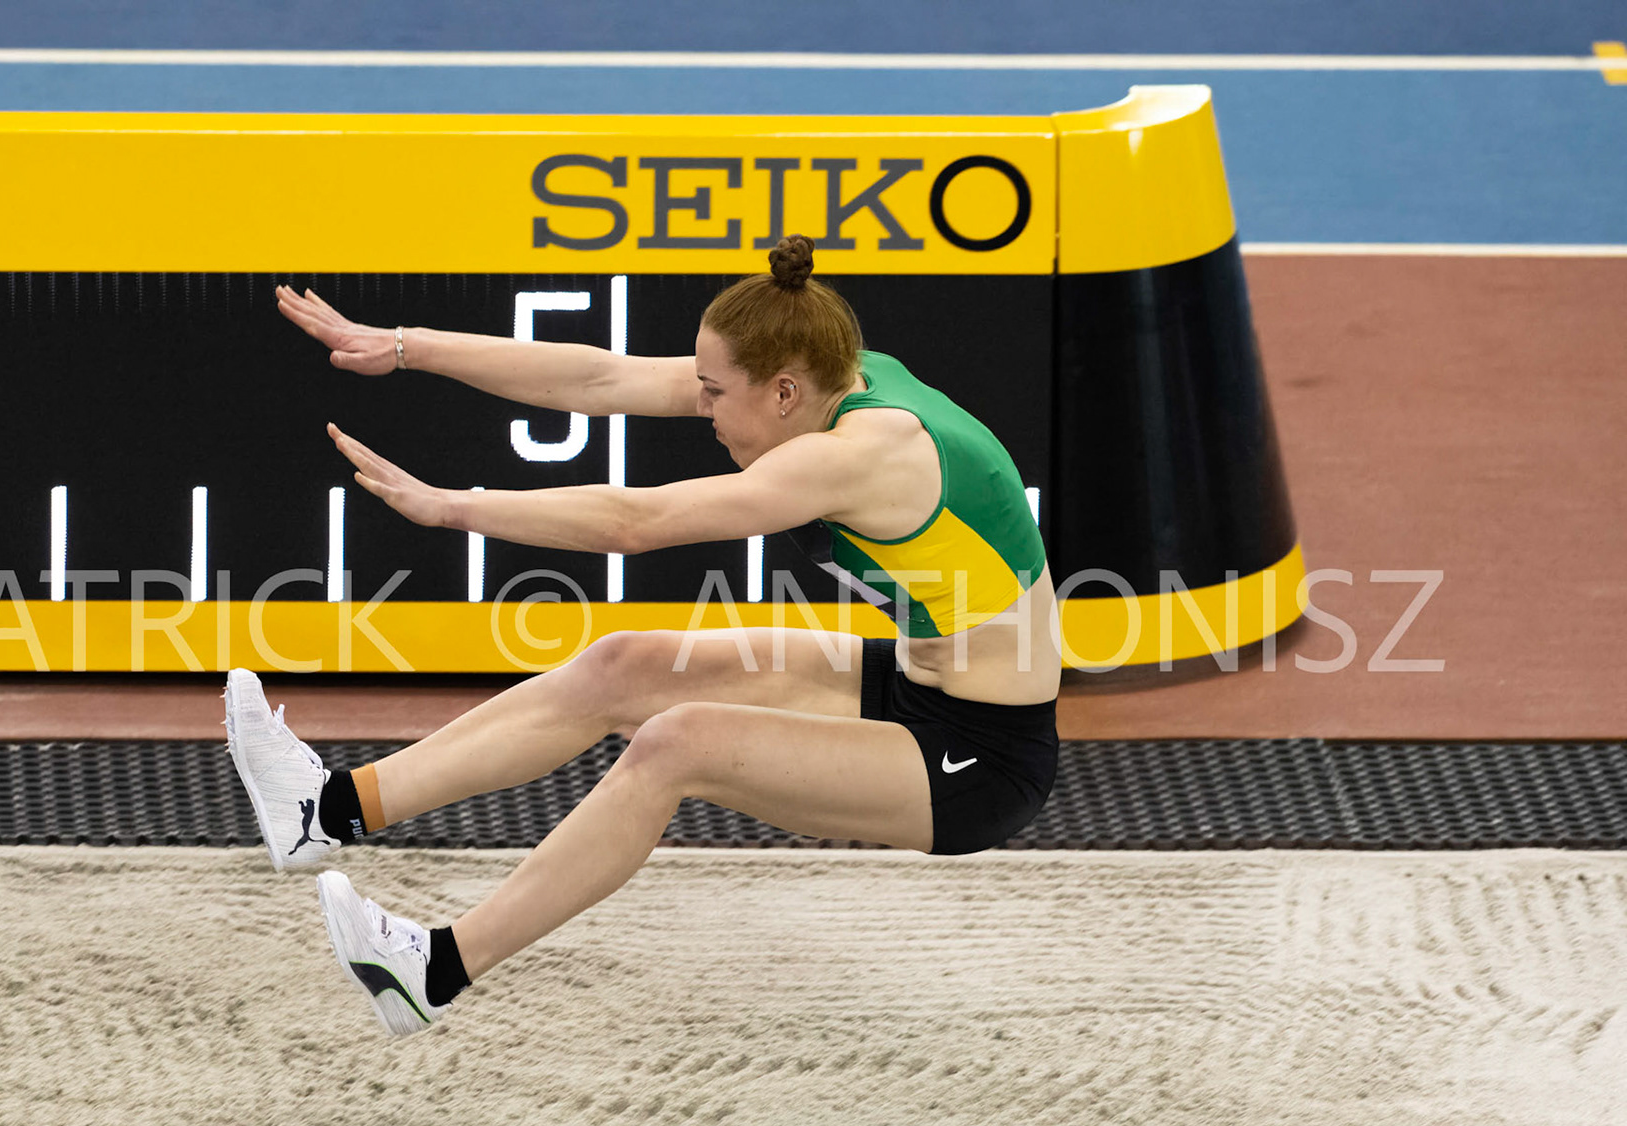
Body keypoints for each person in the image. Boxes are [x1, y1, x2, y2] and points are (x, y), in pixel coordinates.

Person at [225, 236, 1061, 1038]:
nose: (700, 408)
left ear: (780, 394)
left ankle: (432, 970)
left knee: (676, 744)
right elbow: (599, 375)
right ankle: (325, 808)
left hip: (980, 758)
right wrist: (406, 346)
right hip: (912, 687)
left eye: (713, 393)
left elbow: (636, 520)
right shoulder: (832, 373)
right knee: (625, 665)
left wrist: (452, 507)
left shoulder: (859, 455)